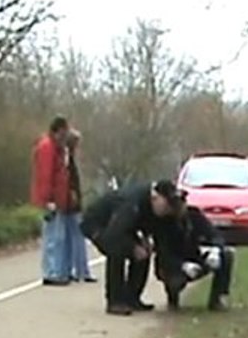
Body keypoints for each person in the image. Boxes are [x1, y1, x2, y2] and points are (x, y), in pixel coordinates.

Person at [150, 180, 235, 312]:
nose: (180, 207)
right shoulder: (162, 224)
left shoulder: (194, 216)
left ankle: (217, 298)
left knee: (227, 255)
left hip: (195, 258)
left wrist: (215, 250)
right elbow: (163, 254)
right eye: (176, 205)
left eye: (182, 202)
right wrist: (182, 265)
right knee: (174, 280)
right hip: (174, 264)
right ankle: (173, 298)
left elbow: (214, 234)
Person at [79, 182, 162, 315]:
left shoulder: (149, 204)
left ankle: (132, 298)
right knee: (117, 250)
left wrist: (145, 242)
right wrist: (133, 246)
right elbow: (115, 232)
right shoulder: (131, 203)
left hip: (121, 227)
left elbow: (145, 224)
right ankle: (115, 301)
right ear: (156, 198)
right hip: (97, 223)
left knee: (143, 253)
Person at [30, 115, 72, 285]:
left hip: (58, 199)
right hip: (52, 200)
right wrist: (48, 200)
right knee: (52, 237)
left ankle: (55, 270)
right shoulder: (48, 148)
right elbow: (45, 175)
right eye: (64, 131)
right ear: (58, 130)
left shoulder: (56, 148)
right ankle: (51, 272)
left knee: (57, 236)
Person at [64, 129, 96, 283]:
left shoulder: (70, 159)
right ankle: (79, 270)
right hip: (70, 203)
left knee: (74, 237)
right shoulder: (67, 160)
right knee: (76, 236)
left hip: (72, 202)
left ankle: (78, 269)